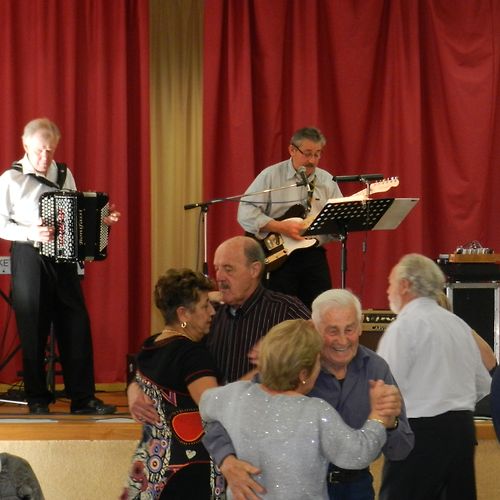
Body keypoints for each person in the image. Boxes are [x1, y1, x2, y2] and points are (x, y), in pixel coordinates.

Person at [203, 289, 414, 500]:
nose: (342, 340)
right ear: (314, 327)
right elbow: (217, 420)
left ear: (360, 327)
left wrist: (390, 423)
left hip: (355, 487)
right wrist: (227, 461)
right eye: (332, 331)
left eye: (349, 329)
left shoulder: (376, 368)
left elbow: (402, 448)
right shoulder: (288, 367)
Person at [0, 118, 120, 415]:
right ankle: (37, 399)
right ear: (25, 145)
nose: (45, 157)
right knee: (33, 328)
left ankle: (83, 399)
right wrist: (30, 232)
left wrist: (100, 222)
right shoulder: (10, 179)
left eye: (50, 151)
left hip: (64, 258)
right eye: (40, 150)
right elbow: (1, 223)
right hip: (29, 255)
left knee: (76, 326)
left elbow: (78, 215)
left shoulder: (64, 174)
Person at [127, 235, 310, 420]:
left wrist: (279, 354)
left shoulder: (286, 310)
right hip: (216, 430)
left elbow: (318, 346)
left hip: (269, 423)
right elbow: (168, 353)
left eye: (228, 269)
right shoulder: (208, 312)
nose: (220, 277)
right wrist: (135, 390)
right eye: (217, 269)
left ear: (254, 269)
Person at [377, 253, 492, 500]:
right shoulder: (458, 325)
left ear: (405, 285)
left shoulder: (403, 327)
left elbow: (387, 387)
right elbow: (483, 385)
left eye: (390, 283)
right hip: (461, 432)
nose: (388, 291)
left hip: (419, 434)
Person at [122, 269, 225, 500]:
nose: (211, 312)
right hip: (189, 469)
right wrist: (260, 374)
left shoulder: (150, 347)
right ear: (183, 313)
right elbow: (213, 406)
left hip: (151, 468)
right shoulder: (191, 354)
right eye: (205, 305)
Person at [237, 126, 343, 308]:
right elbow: (245, 211)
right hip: (278, 255)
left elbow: (337, 224)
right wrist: (280, 227)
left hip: (312, 254)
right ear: (292, 150)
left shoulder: (327, 181)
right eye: (307, 153)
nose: (312, 160)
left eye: (318, 154)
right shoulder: (271, 176)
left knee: (322, 307)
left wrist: (338, 226)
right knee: (279, 311)